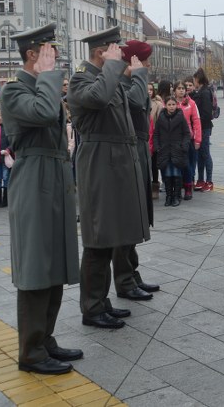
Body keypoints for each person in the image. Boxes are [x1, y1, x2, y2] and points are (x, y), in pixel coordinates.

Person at [0, 22, 81, 375]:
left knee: (56, 263)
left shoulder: (42, 87)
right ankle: (30, 351)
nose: (56, 59)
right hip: (33, 179)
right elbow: (45, 113)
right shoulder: (13, 91)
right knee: (36, 267)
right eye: (49, 52)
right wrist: (47, 76)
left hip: (56, 176)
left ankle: (45, 339)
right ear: (33, 54)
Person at [67, 26, 151, 329]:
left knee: (111, 236)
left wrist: (126, 72)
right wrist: (115, 67)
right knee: (98, 239)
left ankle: (102, 302)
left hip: (116, 162)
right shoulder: (81, 80)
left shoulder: (109, 78)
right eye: (115, 48)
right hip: (99, 163)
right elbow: (99, 98)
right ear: (101, 51)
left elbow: (137, 102)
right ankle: (91, 308)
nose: (120, 53)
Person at [115, 40, 160, 297]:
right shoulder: (122, 86)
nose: (148, 66)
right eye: (144, 61)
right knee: (127, 221)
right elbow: (133, 102)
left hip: (140, 151)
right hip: (129, 155)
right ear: (133, 62)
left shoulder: (132, 83)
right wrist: (138, 75)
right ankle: (124, 281)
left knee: (136, 219)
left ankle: (132, 274)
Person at [154, 96, 191, 207]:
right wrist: (157, 146)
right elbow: (156, 134)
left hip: (177, 150)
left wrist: (183, 145)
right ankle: (169, 196)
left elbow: (186, 133)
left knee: (176, 173)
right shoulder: (161, 118)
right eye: (169, 105)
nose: (171, 107)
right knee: (167, 174)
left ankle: (176, 196)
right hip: (165, 150)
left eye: (173, 104)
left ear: (176, 105)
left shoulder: (181, 117)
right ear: (165, 105)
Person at [173, 81, 201, 200]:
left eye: (183, 88)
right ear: (174, 90)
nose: (181, 90)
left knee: (187, 165)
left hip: (188, 139)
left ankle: (188, 188)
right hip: (173, 139)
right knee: (175, 165)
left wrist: (197, 140)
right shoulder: (170, 103)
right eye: (178, 88)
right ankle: (177, 189)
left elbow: (197, 121)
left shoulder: (191, 103)